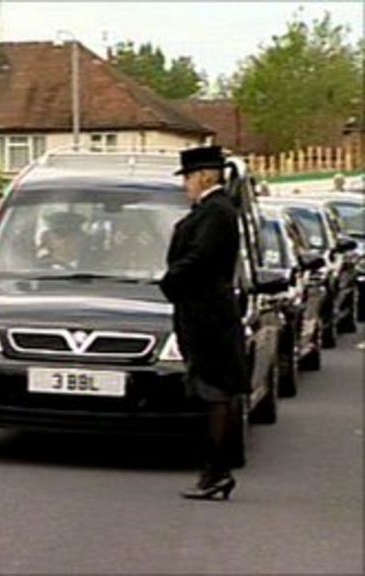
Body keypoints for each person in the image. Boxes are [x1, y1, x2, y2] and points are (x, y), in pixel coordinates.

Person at [160, 145, 248, 501]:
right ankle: (215, 469)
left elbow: (200, 258)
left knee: (214, 391)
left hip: (208, 315)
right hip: (205, 311)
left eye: (188, 178)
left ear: (203, 176)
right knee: (210, 390)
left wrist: (170, 281)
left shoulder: (216, 211)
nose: (186, 186)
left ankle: (217, 470)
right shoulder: (214, 209)